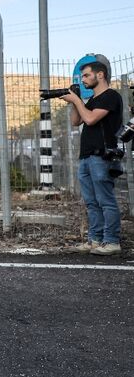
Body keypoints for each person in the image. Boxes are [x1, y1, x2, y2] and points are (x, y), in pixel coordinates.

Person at [61, 58, 123, 255]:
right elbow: (75, 121)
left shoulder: (110, 96)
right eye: (81, 76)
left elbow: (89, 118)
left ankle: (112, 241)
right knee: (91, 201)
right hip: (86, 157)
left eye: (86, 75)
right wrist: (75, 101)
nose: (83, 79)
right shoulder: (93, 100)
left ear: (100, 74)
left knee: (105, 200)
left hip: (102, 156)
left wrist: (78, 101)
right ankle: (95, 240)